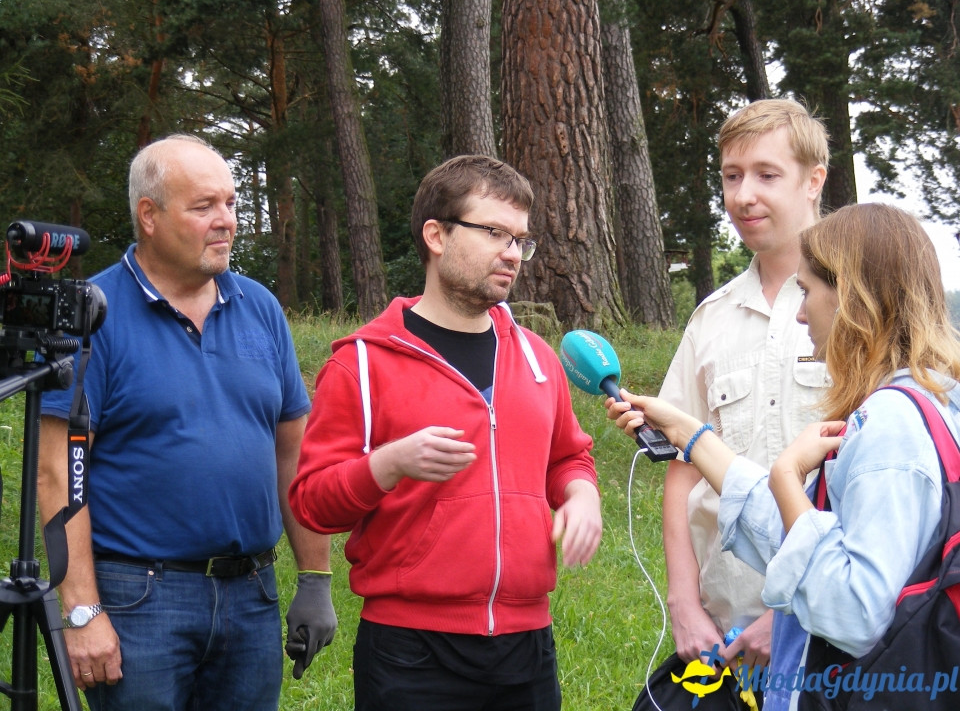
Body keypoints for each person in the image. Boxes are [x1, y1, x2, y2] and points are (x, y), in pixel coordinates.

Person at [609, 203, 960, 711]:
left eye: (808, 290)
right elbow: (824, 541)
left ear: (852, 298)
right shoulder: (935, 399)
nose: (800, 312)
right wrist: (690, 434)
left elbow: (852, 610)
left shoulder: (892, 429)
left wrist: (787, 479)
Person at [289, 154, 603, 711]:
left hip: (527, 645)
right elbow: (312, 503)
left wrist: (581, 494)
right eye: (494, 233)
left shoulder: (536, 357)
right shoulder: (360, 364)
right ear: (436, 234)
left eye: (521, 239)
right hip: (410, 652)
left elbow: (569, 458)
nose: (513, 253)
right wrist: (387, 465)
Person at [36, 134, 337, 711]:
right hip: (139, 600)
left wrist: (316, 580)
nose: (225, 221)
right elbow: (58, 474)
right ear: (149, 215)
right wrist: (80, 610)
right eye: (204, 207)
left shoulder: (259, 306)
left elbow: (293, 453)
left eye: (229, 203)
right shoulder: (91, 312)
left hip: (252, 594)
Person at [657, 98, 832, 680]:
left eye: (766, 174)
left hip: (836, 633)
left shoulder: (859, 310)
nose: (742, 195)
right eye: (731, 177)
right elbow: (682, 468)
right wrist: (684, 604)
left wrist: (793, 610)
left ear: (814, 180)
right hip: (723, 637)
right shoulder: (711, 318)